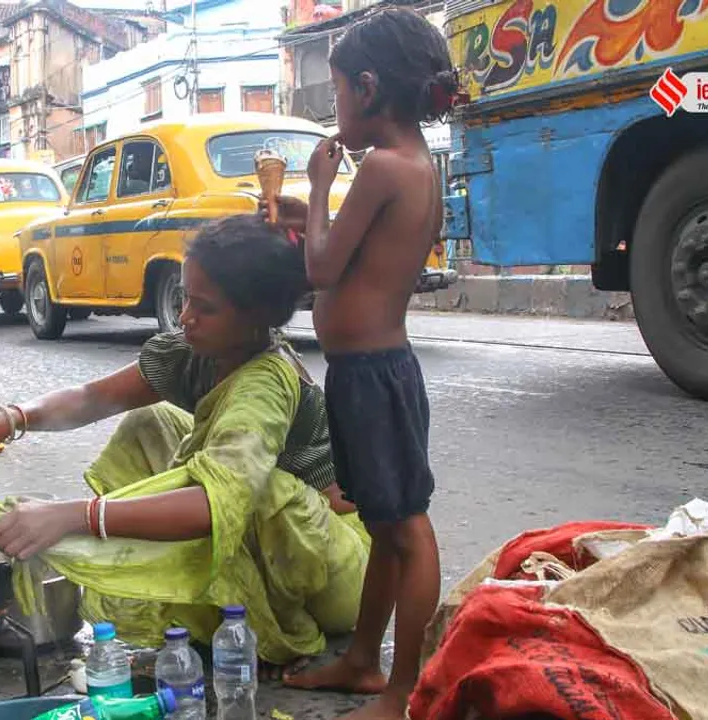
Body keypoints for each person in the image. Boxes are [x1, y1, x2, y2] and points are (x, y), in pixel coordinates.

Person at [0, 214, 369, 667]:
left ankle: (253, 623)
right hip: (288, 544)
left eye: (204, 307)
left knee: (254, 489)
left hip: (334, 572)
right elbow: (93, 397)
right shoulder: (199, 352)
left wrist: (75, 517)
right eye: (186, 298)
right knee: (151, 423)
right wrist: (9, 418)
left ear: (256, 318)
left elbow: (216, 505)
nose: (186, 317)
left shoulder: (264, 383)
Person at [261, 8, 459, 719]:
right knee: (382, 522)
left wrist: (316, 187)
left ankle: (406, 688)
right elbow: (346, 251)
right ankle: (361, 662)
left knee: (405, 527)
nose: (334, 106)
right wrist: (301, 208)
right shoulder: (412, 165)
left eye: (338, 90)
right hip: (368, 372)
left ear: (369, 89)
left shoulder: (378, 166)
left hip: (375, 375)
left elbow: (321, 266)